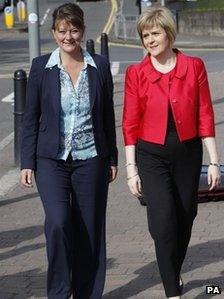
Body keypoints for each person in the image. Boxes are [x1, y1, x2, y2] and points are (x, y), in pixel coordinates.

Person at [20, 3, 118, 298]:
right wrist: (27, 162)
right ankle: (60, 292)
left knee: (90, 230)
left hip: (91, 159)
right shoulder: (41, 67)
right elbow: (30, 118)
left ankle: (87, 293)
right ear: (54, 33)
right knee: (59, 223)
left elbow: (106, 116)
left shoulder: (99, 66)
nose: (68, 36)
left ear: (83, 31)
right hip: (51, 160)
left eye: (74, 30)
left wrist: (112, 156)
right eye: (62, 30)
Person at [122, 7, 220, 299]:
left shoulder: (194, 65)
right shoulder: (136, 72)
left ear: (168, 33)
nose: (149, 40)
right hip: (150, 155)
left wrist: (213, 160)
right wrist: (131, 169)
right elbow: (129, 121)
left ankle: (172, 268)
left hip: (188, 153)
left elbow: (205, 112)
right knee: (163, 220)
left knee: (185, 214)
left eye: (155, 33)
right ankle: (172, 292)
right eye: (145, 35)